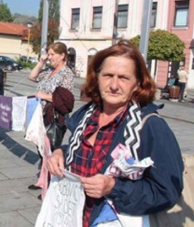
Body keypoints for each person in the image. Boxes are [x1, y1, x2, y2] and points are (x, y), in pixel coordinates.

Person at [46, 40, 184, 227]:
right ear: (97, 77)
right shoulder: (86, 115)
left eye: (124, 78)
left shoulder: (150, 126)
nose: (114, 85)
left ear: (137, 84)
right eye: (108, 75)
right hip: (71, 217)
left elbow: (167, 190)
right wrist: (60, 152)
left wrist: (113, 187)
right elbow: (84, 153)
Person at [27, 42, 75, 191]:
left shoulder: (66, 74)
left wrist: (44, 96)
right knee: (41, 149)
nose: (50, 57)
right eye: (49, 54)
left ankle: (52, 183)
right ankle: (43, 180)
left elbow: (65, 99)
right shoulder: (49, 71)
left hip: (55, 117)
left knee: (52, 150)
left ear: (62, 56)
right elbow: (32, 76)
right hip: (41, 115)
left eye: (53, 54)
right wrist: (41, 62)